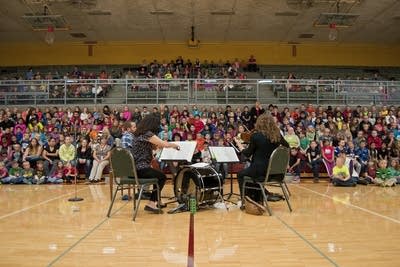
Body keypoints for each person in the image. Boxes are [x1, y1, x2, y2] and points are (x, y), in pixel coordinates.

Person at [130, 115, 179, 213]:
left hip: (135, 168)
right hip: (141, 168)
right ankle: (151, 203)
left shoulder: (138, 134)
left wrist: (157, 148)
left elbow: (149, 150)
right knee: (162, 177)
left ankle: (158, 200)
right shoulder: (147, 134)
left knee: (157, 173)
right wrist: (175, 145)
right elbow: (164, 144)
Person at [235, 114, 289, 202]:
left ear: (259, 123)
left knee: (241, 175)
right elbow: (287, 146)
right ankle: (257, 197)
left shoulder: (256, 136)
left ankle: (246, 201)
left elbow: (247, 154)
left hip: (261, 172)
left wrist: (239, 145)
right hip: (275, 173)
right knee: (251, 173)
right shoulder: (277, 135)